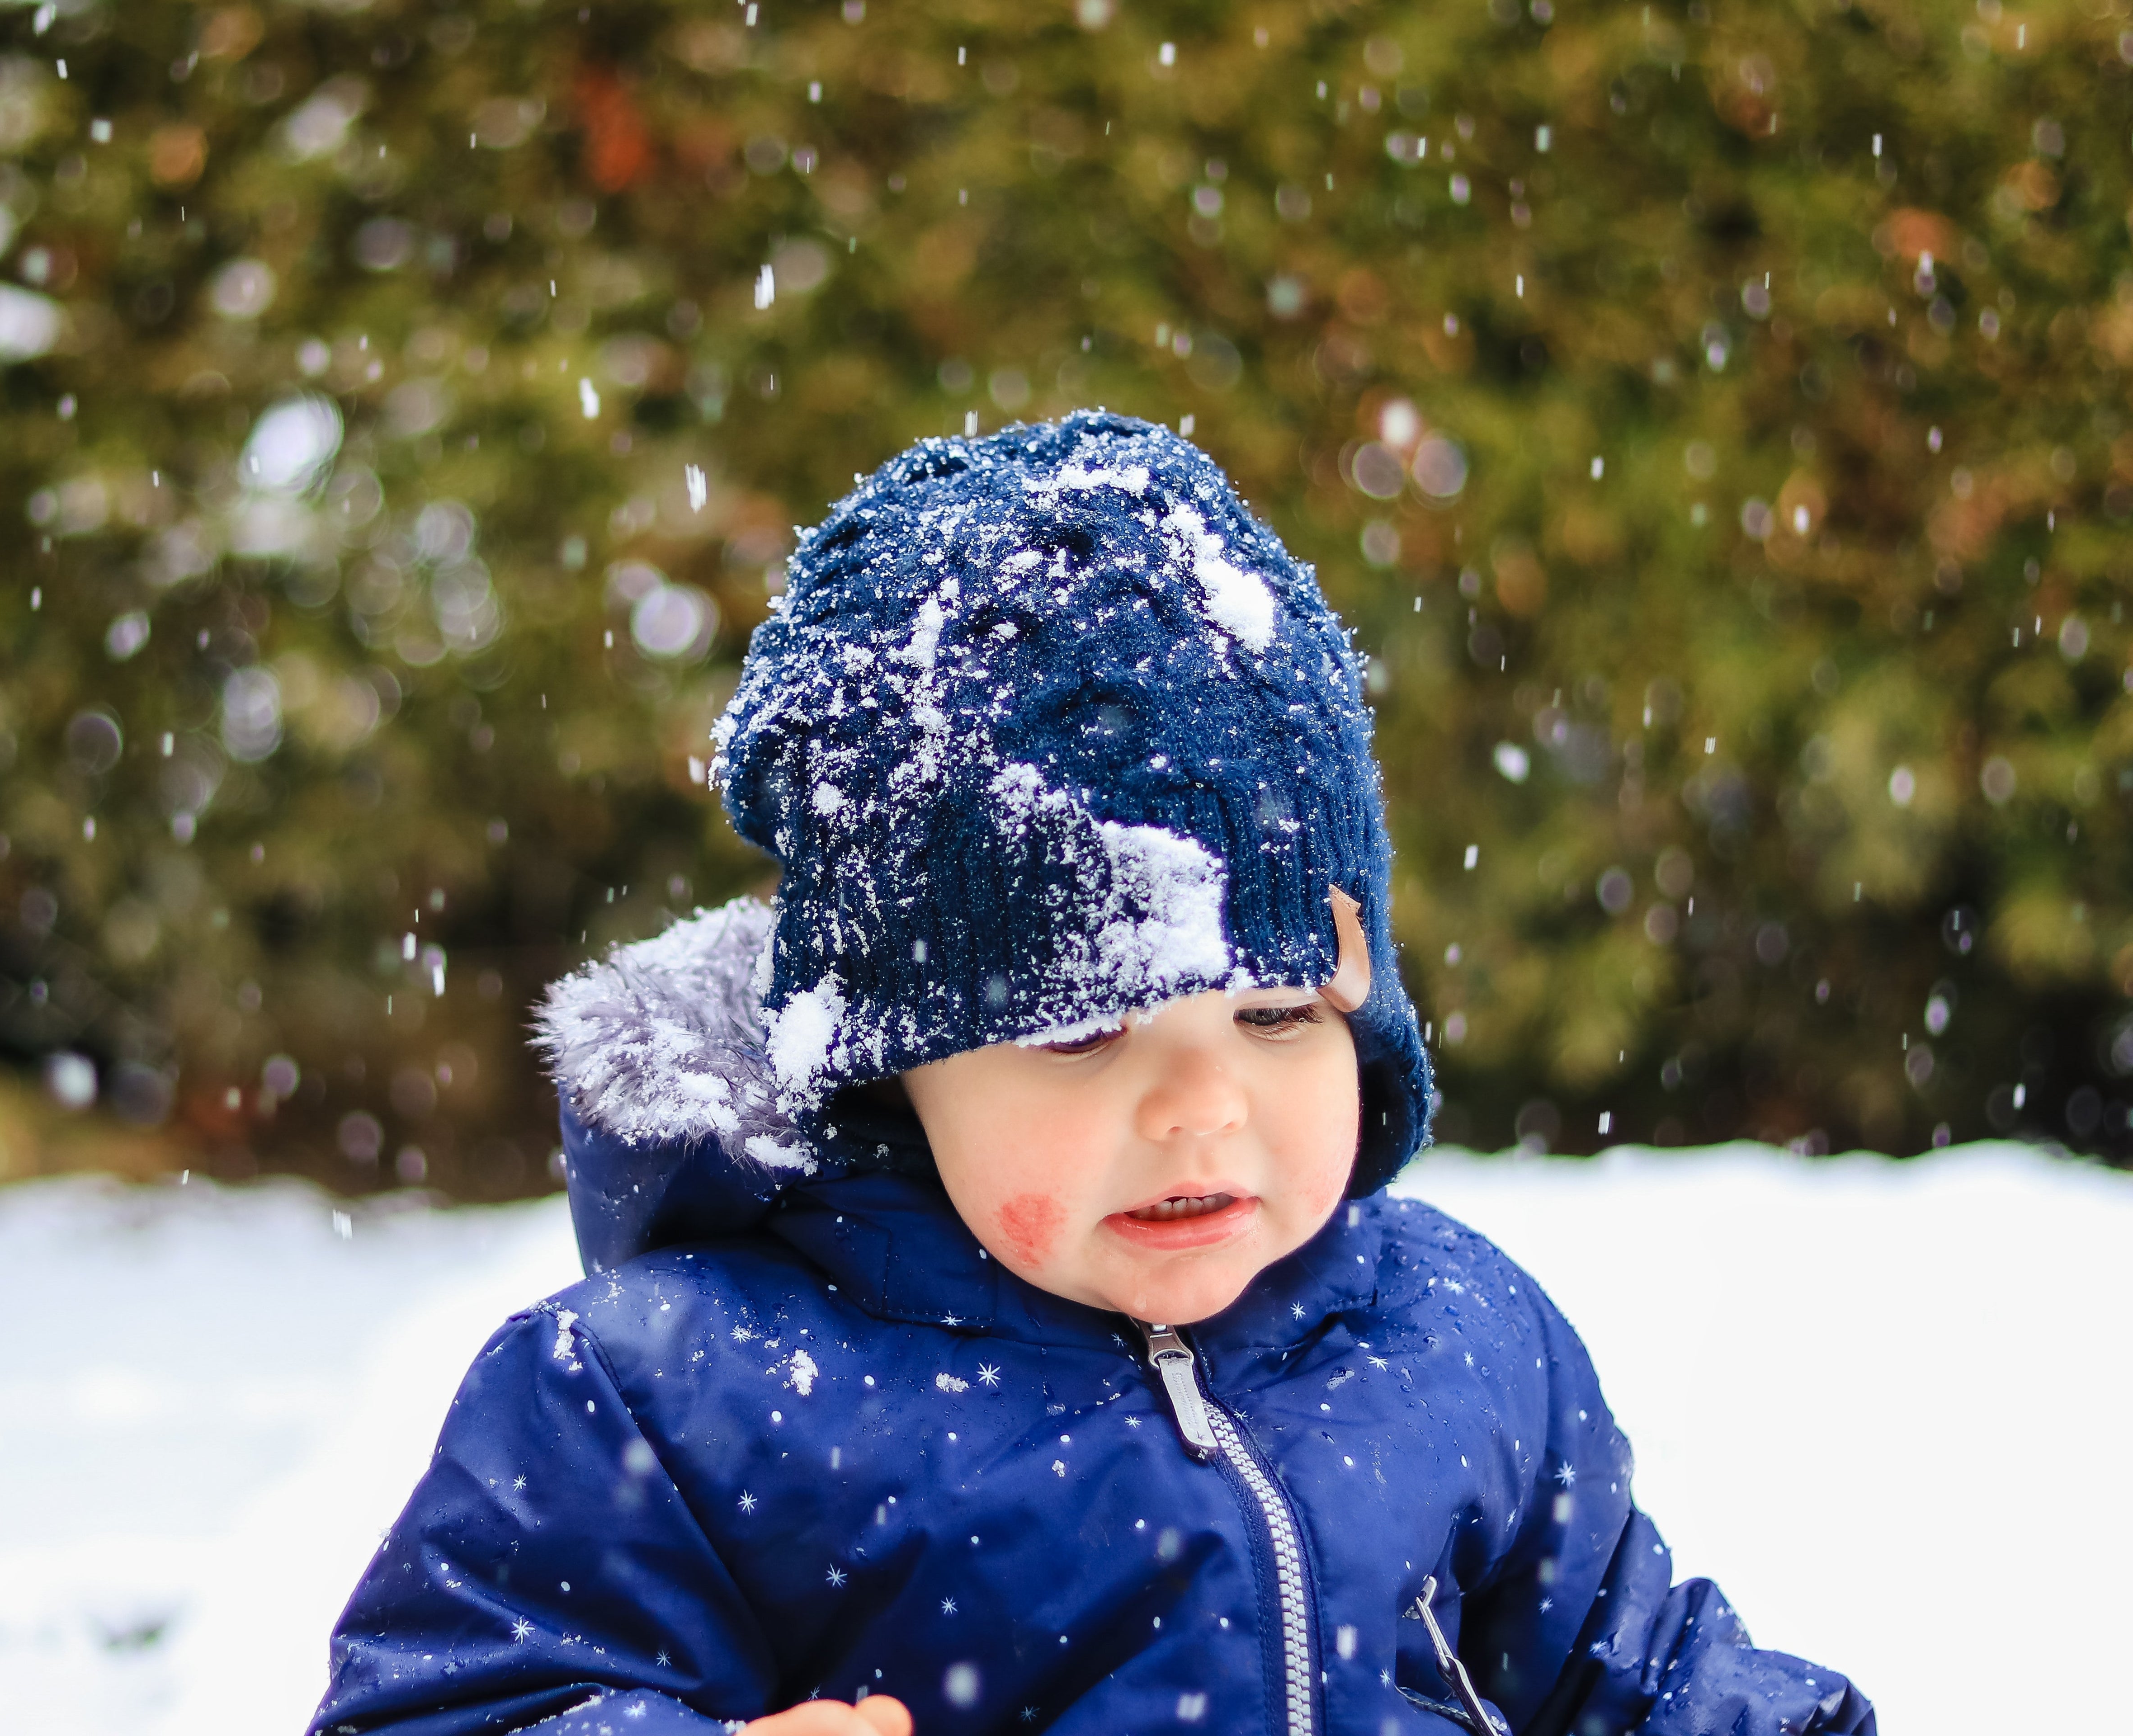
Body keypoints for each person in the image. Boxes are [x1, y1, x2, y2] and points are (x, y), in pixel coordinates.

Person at [309, 413, 1874, 1736]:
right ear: (895, 1067)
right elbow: (457, 1705)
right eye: (1079, 1032)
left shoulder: (1454, 1337)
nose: (1204, 1106)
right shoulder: (676, 1402)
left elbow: (1645, 1675)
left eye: (1277, 1016)